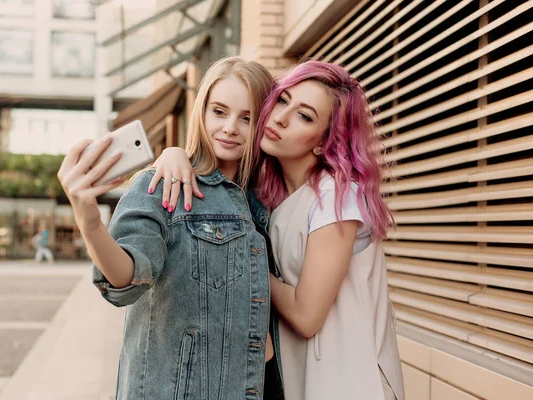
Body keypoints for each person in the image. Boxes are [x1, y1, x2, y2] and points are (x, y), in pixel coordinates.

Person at [150, 60, 405, 400]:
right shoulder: (267, 194)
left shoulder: (336, 195)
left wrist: (237, 258)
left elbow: (306, 314)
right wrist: (174, 154)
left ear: (322, 143)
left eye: (305, 116)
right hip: (301, 377)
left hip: (351, 379)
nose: (282, 118)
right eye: (283, 100)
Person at [57, 56, 284, 399]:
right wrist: (88, 221)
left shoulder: (266, 200)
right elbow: (127, 278)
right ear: (202, 112)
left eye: (247, 117)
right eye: (219, 112)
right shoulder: (167, 184)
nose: (230, 128)